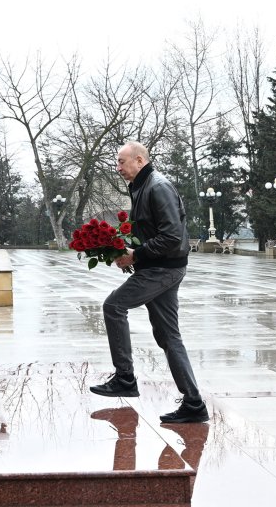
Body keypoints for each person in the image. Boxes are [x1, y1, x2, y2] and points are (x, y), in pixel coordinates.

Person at [89, 141, 209, 424]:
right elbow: (150, 232)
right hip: (160, 267)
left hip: (163, 269)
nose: (118, 168)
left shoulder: (158, 187)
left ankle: (125, 378)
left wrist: (137, 255)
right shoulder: (142, 186)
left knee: (114, 306)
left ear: (139, 160)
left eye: (121, 162)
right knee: (168, 336)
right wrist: (128, 252)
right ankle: (194, 404)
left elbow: (172, 236)